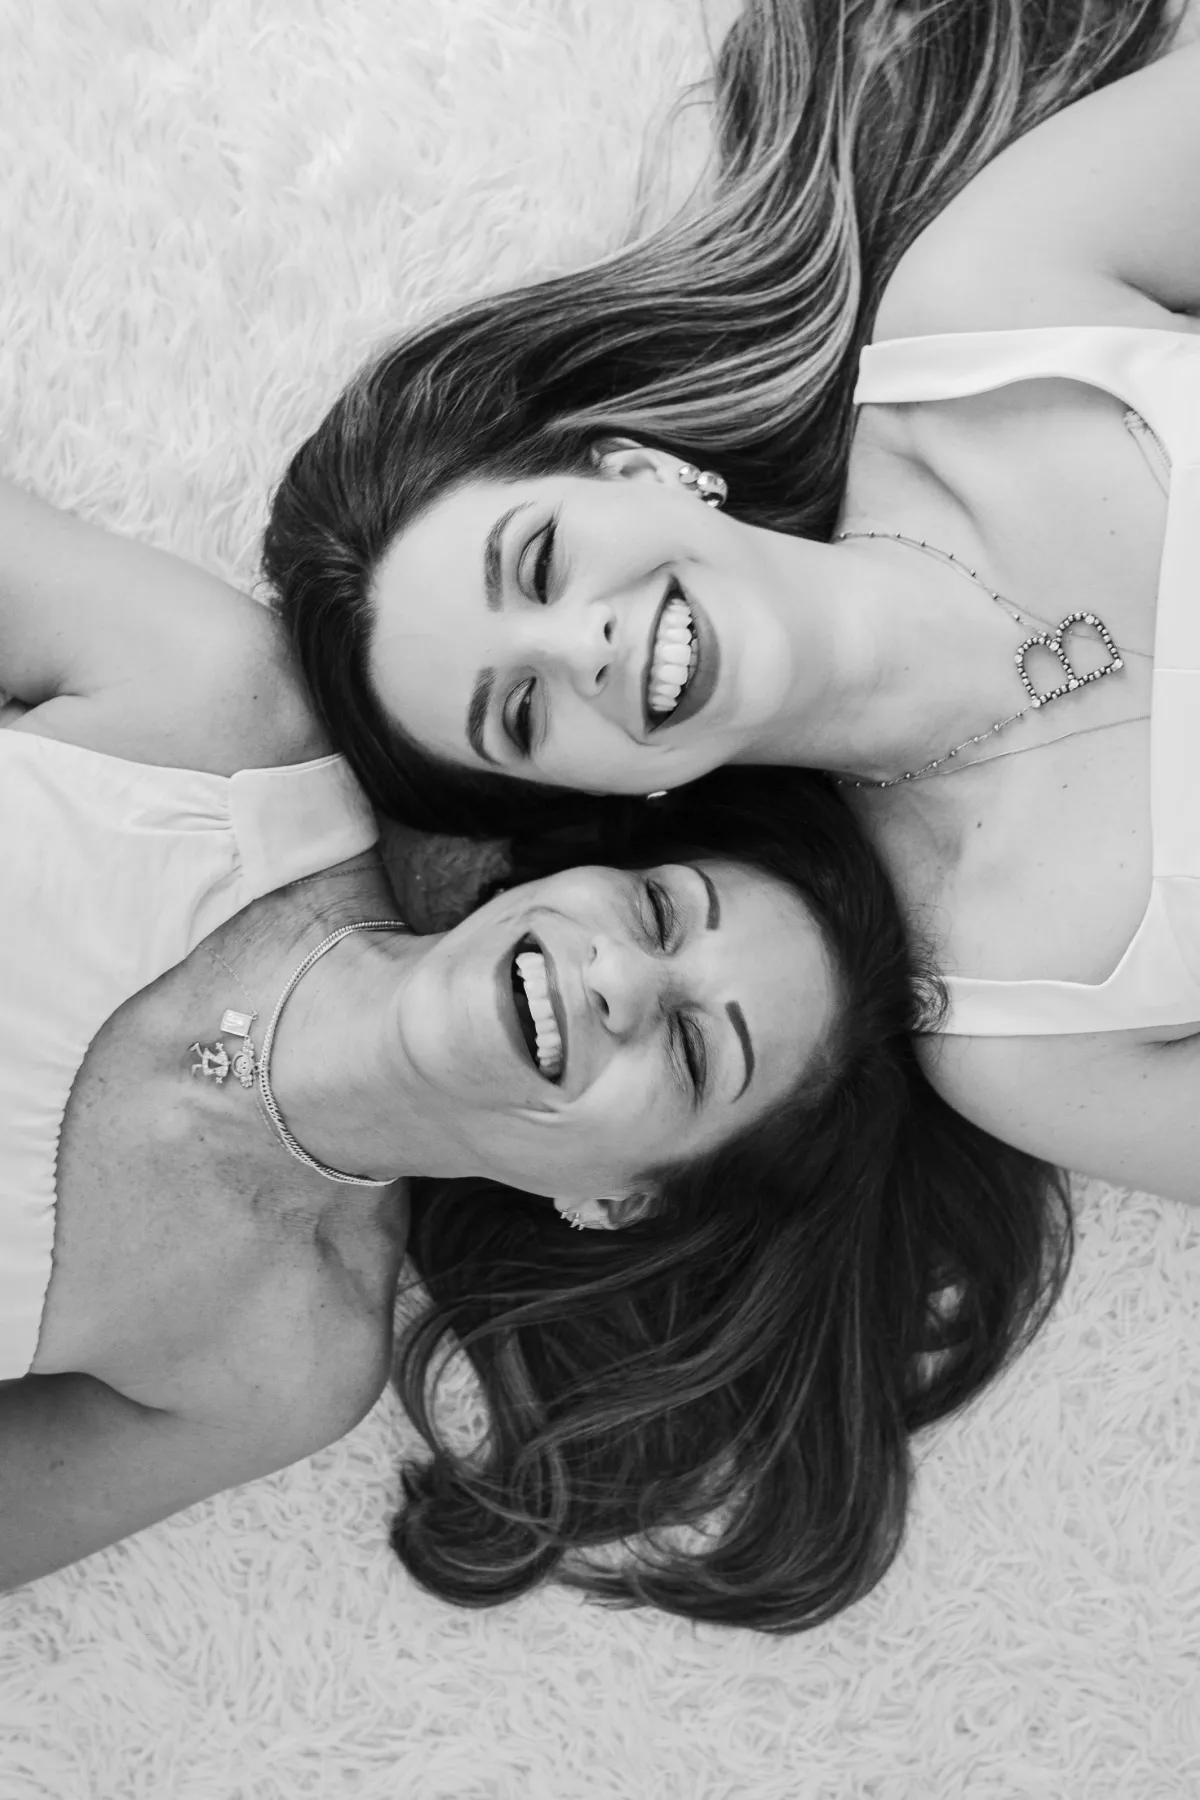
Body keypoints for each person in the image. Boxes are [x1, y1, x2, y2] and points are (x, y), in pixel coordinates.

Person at [0, 482, 1062, 1627]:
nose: (619, 980)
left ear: (619, 1201)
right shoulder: (221, 711)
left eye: (693, 1051)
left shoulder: (281, 1361)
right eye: (659, 913)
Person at [266, 0, 1200, 1206]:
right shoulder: (1022, 1034)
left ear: (640, 472)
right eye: (524, 713)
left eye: (541, 564)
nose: (583, 647)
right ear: (602, 795)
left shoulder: (990, 307)